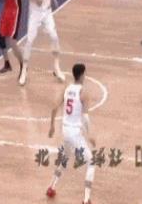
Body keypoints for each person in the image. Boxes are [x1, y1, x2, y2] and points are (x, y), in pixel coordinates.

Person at [46, 63, 96, 204]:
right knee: (91, 162)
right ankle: (86, 199)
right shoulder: (83, 92)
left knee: (65, 158)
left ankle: (51, 187)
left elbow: (54, 107)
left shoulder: (67, 88)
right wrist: (90, 134)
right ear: (83, 74)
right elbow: (85, 117)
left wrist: (52, 126)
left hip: (65, 130)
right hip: (74, 133)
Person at [19, 0, 64, 86]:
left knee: (54, 37)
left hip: (47, 12)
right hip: (36, 13)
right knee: (30, 40)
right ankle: (24, 70)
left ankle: (56, 66)